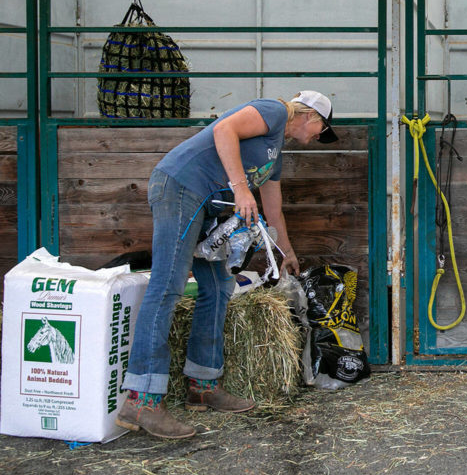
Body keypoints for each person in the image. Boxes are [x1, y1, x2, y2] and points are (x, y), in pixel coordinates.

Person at [116, 90, 339, 438]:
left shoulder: (275, 150)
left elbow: (274, 210)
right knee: (168, 285)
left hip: (210, 207)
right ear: (312, 116)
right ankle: (141, 400)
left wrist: (287, 253)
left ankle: (202, 384)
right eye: (320, 131)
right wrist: (241, 189)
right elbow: (224, 130)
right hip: (182, 187)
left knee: (219, 287)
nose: (315, 139)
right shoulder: (275, 111)